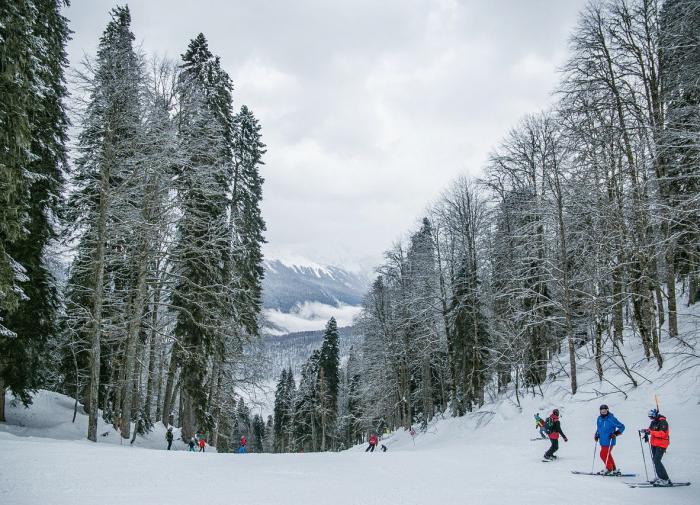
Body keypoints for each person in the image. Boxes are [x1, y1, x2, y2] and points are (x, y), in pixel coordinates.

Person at [641, 408, 671, 486]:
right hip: (654, 443)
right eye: (649, 417)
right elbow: (651, 430)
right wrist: (646, 431)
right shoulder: (653, 422)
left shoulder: (663, 422)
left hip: (662, 444)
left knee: (657, 460)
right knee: (655, 460)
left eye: (651, 416)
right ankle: (660, 477)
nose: (650, 418)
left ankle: (665, 479)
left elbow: (663, 434)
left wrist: (651, 432)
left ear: (655, 415)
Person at [594, 404, 625, 475]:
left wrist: (615, 433)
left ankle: (609, 468)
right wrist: (596, 435)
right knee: (608, 454)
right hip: (602, 440)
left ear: (607, 410)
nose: (603, 412)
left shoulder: (611, 418)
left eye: (605, 410)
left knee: (602, 455)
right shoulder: (599, 418)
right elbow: (599, 428)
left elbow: (622, 426)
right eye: (602, 411)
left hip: (609, 440)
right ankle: (614, 469)